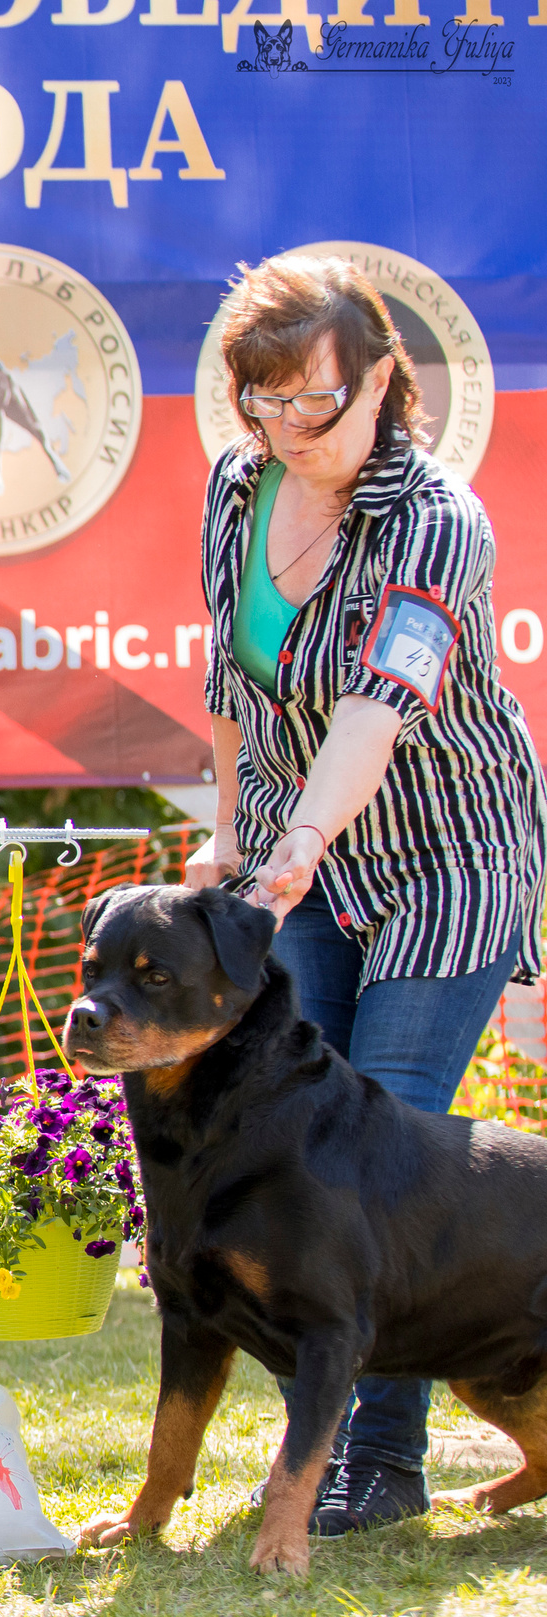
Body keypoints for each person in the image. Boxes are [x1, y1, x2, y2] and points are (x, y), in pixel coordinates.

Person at [185, 252, 547, 1535]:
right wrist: (235, 837)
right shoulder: (238, 489)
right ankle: (325, 1436)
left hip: (450, 857)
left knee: (388, 1148)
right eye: (261, 403)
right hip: (302, 859)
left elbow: (373, 715)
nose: (287, 431)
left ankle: (375, 1465)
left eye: (314, 404)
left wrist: (297, 843)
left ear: (384, 377)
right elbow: (232, 684)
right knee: (299, 1150)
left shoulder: (437, 518)